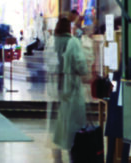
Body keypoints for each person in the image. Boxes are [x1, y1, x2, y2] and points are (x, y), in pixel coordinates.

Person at [51, 16, 89, 161]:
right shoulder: (72, 42)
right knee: (74, 120)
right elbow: (80, 65)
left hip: (59, 85)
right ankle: (73, 149)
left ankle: (58, 150)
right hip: (72, 85)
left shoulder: (53, 41)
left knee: (63, 118)